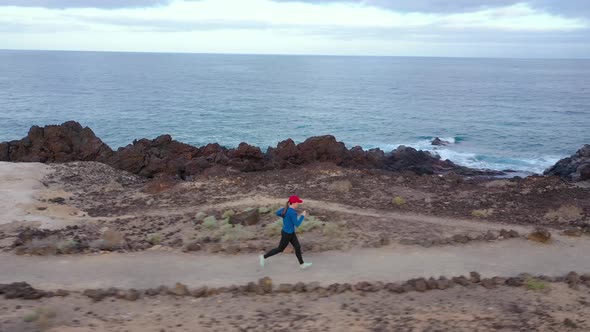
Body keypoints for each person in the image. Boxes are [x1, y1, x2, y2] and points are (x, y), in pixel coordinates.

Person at [259, 195, 313, 269]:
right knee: (280, 249)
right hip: (287, 234)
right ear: (293, 203)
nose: (298, 204)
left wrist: (285, 215)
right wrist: (303, 216)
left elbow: (277, 213)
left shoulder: (286, 209)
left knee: (297, 247)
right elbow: (297, 224)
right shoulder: (292, 213)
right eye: (297, 202)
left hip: (290, 232)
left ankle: (302, 264)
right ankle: (263, 257)